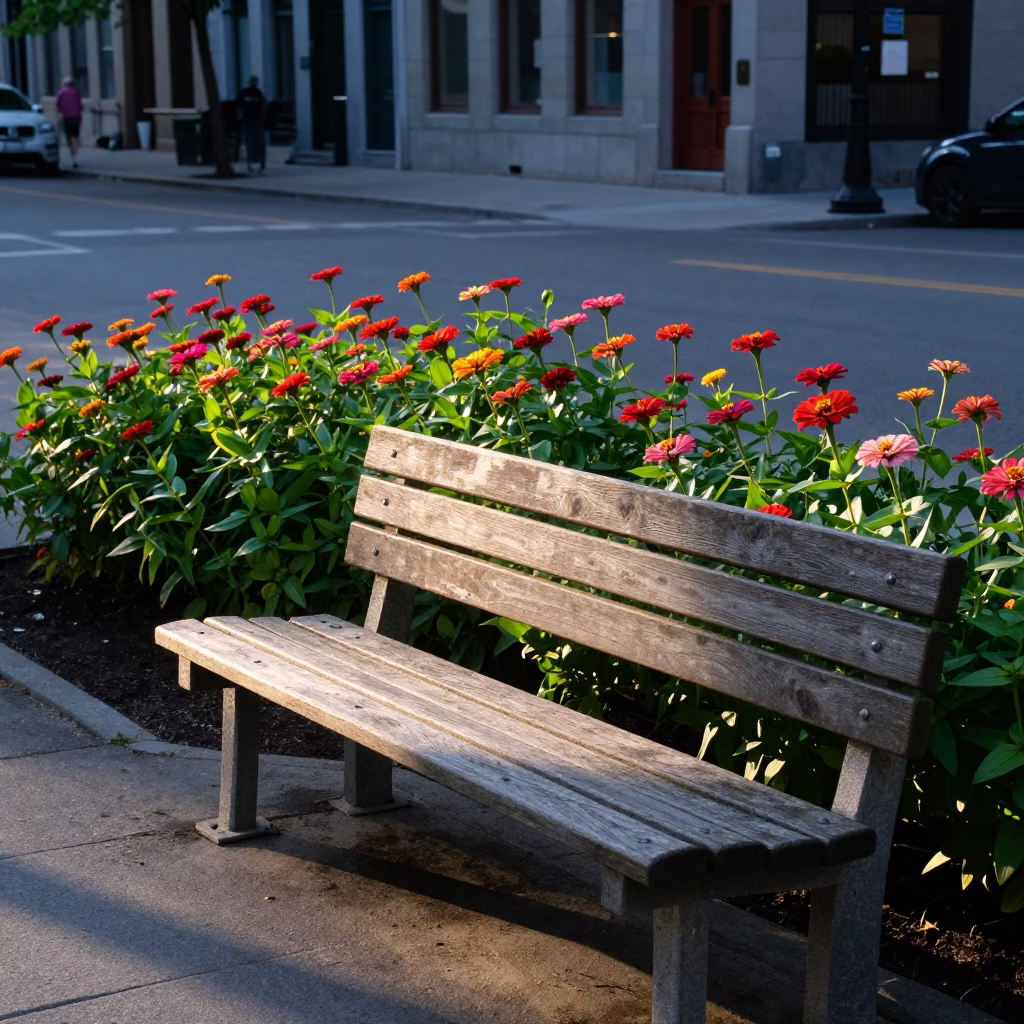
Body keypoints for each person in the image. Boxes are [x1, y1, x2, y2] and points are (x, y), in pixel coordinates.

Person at [238, 75, 266, 174]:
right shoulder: (244, 93)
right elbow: (239, 106)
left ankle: (259, 163)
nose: (254, 83)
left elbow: (263, 106)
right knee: (251, 143)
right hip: (248, 121)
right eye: (252, 81)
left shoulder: (258, 94)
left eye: (255, 81)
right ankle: (252, 162)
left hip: (256, 121)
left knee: (258, 143)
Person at [55, 76, 83, 168]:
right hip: (76, 117)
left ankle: (73, 155)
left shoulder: (61, 93)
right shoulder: (76, 93)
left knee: (69, 136)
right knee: (75, 136)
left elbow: (58, 104)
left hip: (66, 117)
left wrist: (61, 111)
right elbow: (80, 105)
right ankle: (76, 156)